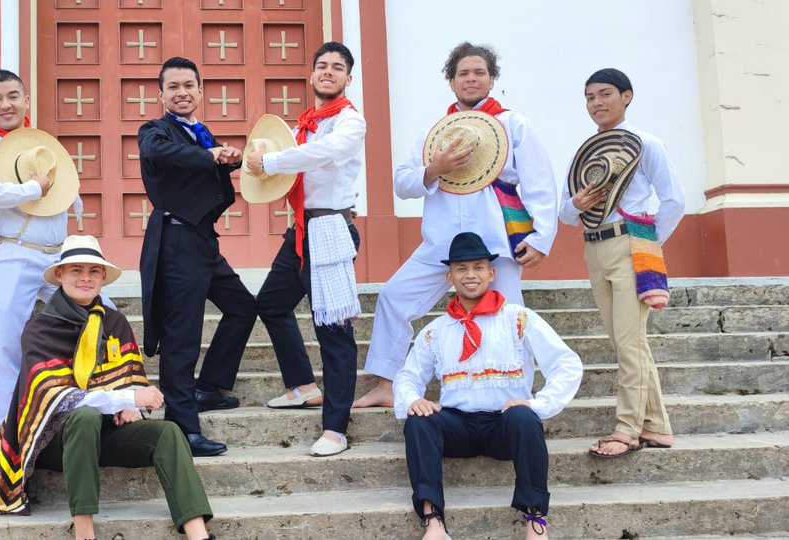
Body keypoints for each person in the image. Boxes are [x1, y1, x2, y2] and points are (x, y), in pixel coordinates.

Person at [0, 235, 216, 540]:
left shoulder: (115, 322)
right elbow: (56, 398)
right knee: (83, 417)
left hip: (104, 435)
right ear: (60, 275)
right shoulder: (40, 328)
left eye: (93, 271)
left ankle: (198, 533)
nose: (86, 278)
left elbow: (127, 375)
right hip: (52, 441)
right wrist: (124, 397)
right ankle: (84, 531)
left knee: (169, 433)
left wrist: (129, 405)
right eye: (76, 270)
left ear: (102, 278)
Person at [355, 41, 559, 409]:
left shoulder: (515, 124)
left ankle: (517, 399)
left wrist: (541, 238)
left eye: (479, 72)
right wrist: (435, 168)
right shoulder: (434, 133)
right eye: (463, 73)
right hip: (441, 244)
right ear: (451, 81)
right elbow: (402, 182)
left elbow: (540, 183)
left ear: (492, 79)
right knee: (393, 298)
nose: (471, 79)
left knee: (510, 315)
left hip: (496, 242)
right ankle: (387, 383)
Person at [395, 232, 582, 540]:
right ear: (450, 276)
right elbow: (407, 375)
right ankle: (433, 521)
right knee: (418, 421)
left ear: (491, 273)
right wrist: (413, 399)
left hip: (505, 425)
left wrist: (538, 404)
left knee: (524, 417)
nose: (470, 275)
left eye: (478, 267)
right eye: (461, 268)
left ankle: (535, 520)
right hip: (458, 425)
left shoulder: (519, 318)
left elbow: (567, 363)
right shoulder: (436, 330)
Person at [0, 68, 108, 425]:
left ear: (26, 100)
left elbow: (66, 196)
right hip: (12, 253)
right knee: (7, 344)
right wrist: (30, 190)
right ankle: (8, 430)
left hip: (58, 255)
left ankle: (100, 408)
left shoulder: (41, 143)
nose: (6, 104)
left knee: (103, 320)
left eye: (13, 96)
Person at [244, 42, 366, 457]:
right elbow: (288, 160)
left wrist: (273, 161)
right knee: (272, 304)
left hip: (331, 228)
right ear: (312, 76)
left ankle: (336, 427)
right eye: (321, 66)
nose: (328, 72)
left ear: (348, 78)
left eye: (337, 67)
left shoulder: (350, 121)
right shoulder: (303, 125)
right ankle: (303, 386)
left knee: (334, 331)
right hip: (300, 231)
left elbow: (323, 154)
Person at [137, 57, 259, 457]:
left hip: (204, 242)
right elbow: (165, 154)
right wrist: (211, 155)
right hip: (175, 242)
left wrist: (233, 158)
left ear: (200, 91)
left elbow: (214, 168)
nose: (182, 92)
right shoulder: (154, 131)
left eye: (189, 85)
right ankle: (182, 428)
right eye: (173, 87)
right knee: (181, 337)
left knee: (242, 307)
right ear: (161, 95)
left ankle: (206, 388)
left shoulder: (202, 132)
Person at [561, 68, 684, 458]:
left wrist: (646, 241)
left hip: (629, 245)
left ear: (626, 97)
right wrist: (574, 206)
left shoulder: (647, 144)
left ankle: (627, 429)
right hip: (594, 247)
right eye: (589, 96)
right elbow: (565, 214)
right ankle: (658, 426)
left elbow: (674, 200)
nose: (596, 103)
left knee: (629, 343)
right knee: (624, 342)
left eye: (605, 94)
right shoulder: (586, 152)